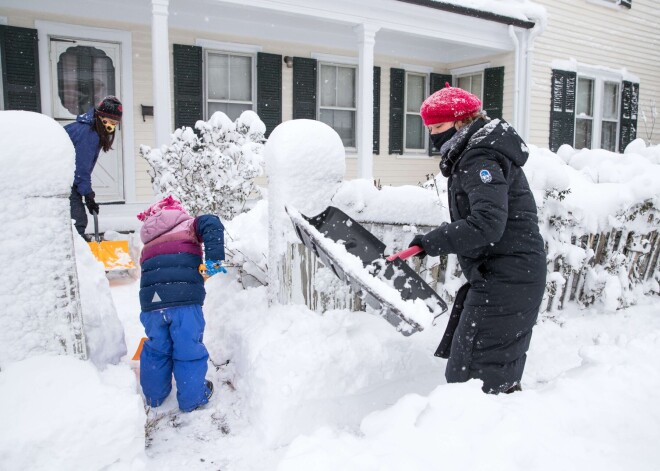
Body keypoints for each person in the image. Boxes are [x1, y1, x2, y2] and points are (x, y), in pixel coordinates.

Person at [409, 83, 546, 394]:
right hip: (507, 275)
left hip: (507, 278)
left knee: (471, 381)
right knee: (486, 377)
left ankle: (478, 439)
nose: (433, 135)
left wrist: (435, 241)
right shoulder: (476, 152)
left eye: (439, 126)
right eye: (429, 128)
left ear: (461, 122)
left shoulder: (478, 157)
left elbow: (487, 224)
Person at [137, 195, 226, 412]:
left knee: (157, 348)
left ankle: (154, 398)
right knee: (188, 349)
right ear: (177, 211)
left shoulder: (147, 242)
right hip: (185, 301)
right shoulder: (188, 225)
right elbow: (211, 222)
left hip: (152, 306)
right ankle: (192, 399)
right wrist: (214, 259)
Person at [65, 96, 123, 238]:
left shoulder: (90, 128)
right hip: (61, 177)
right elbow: (80, 170)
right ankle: (77, 253)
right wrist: (88, 195)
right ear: (100, 117)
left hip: (64, 177)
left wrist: (86, 194)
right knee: (77, 220)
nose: (112, 126)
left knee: (73, 218)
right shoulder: (89, 133)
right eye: (110, 121)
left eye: (115, 122)